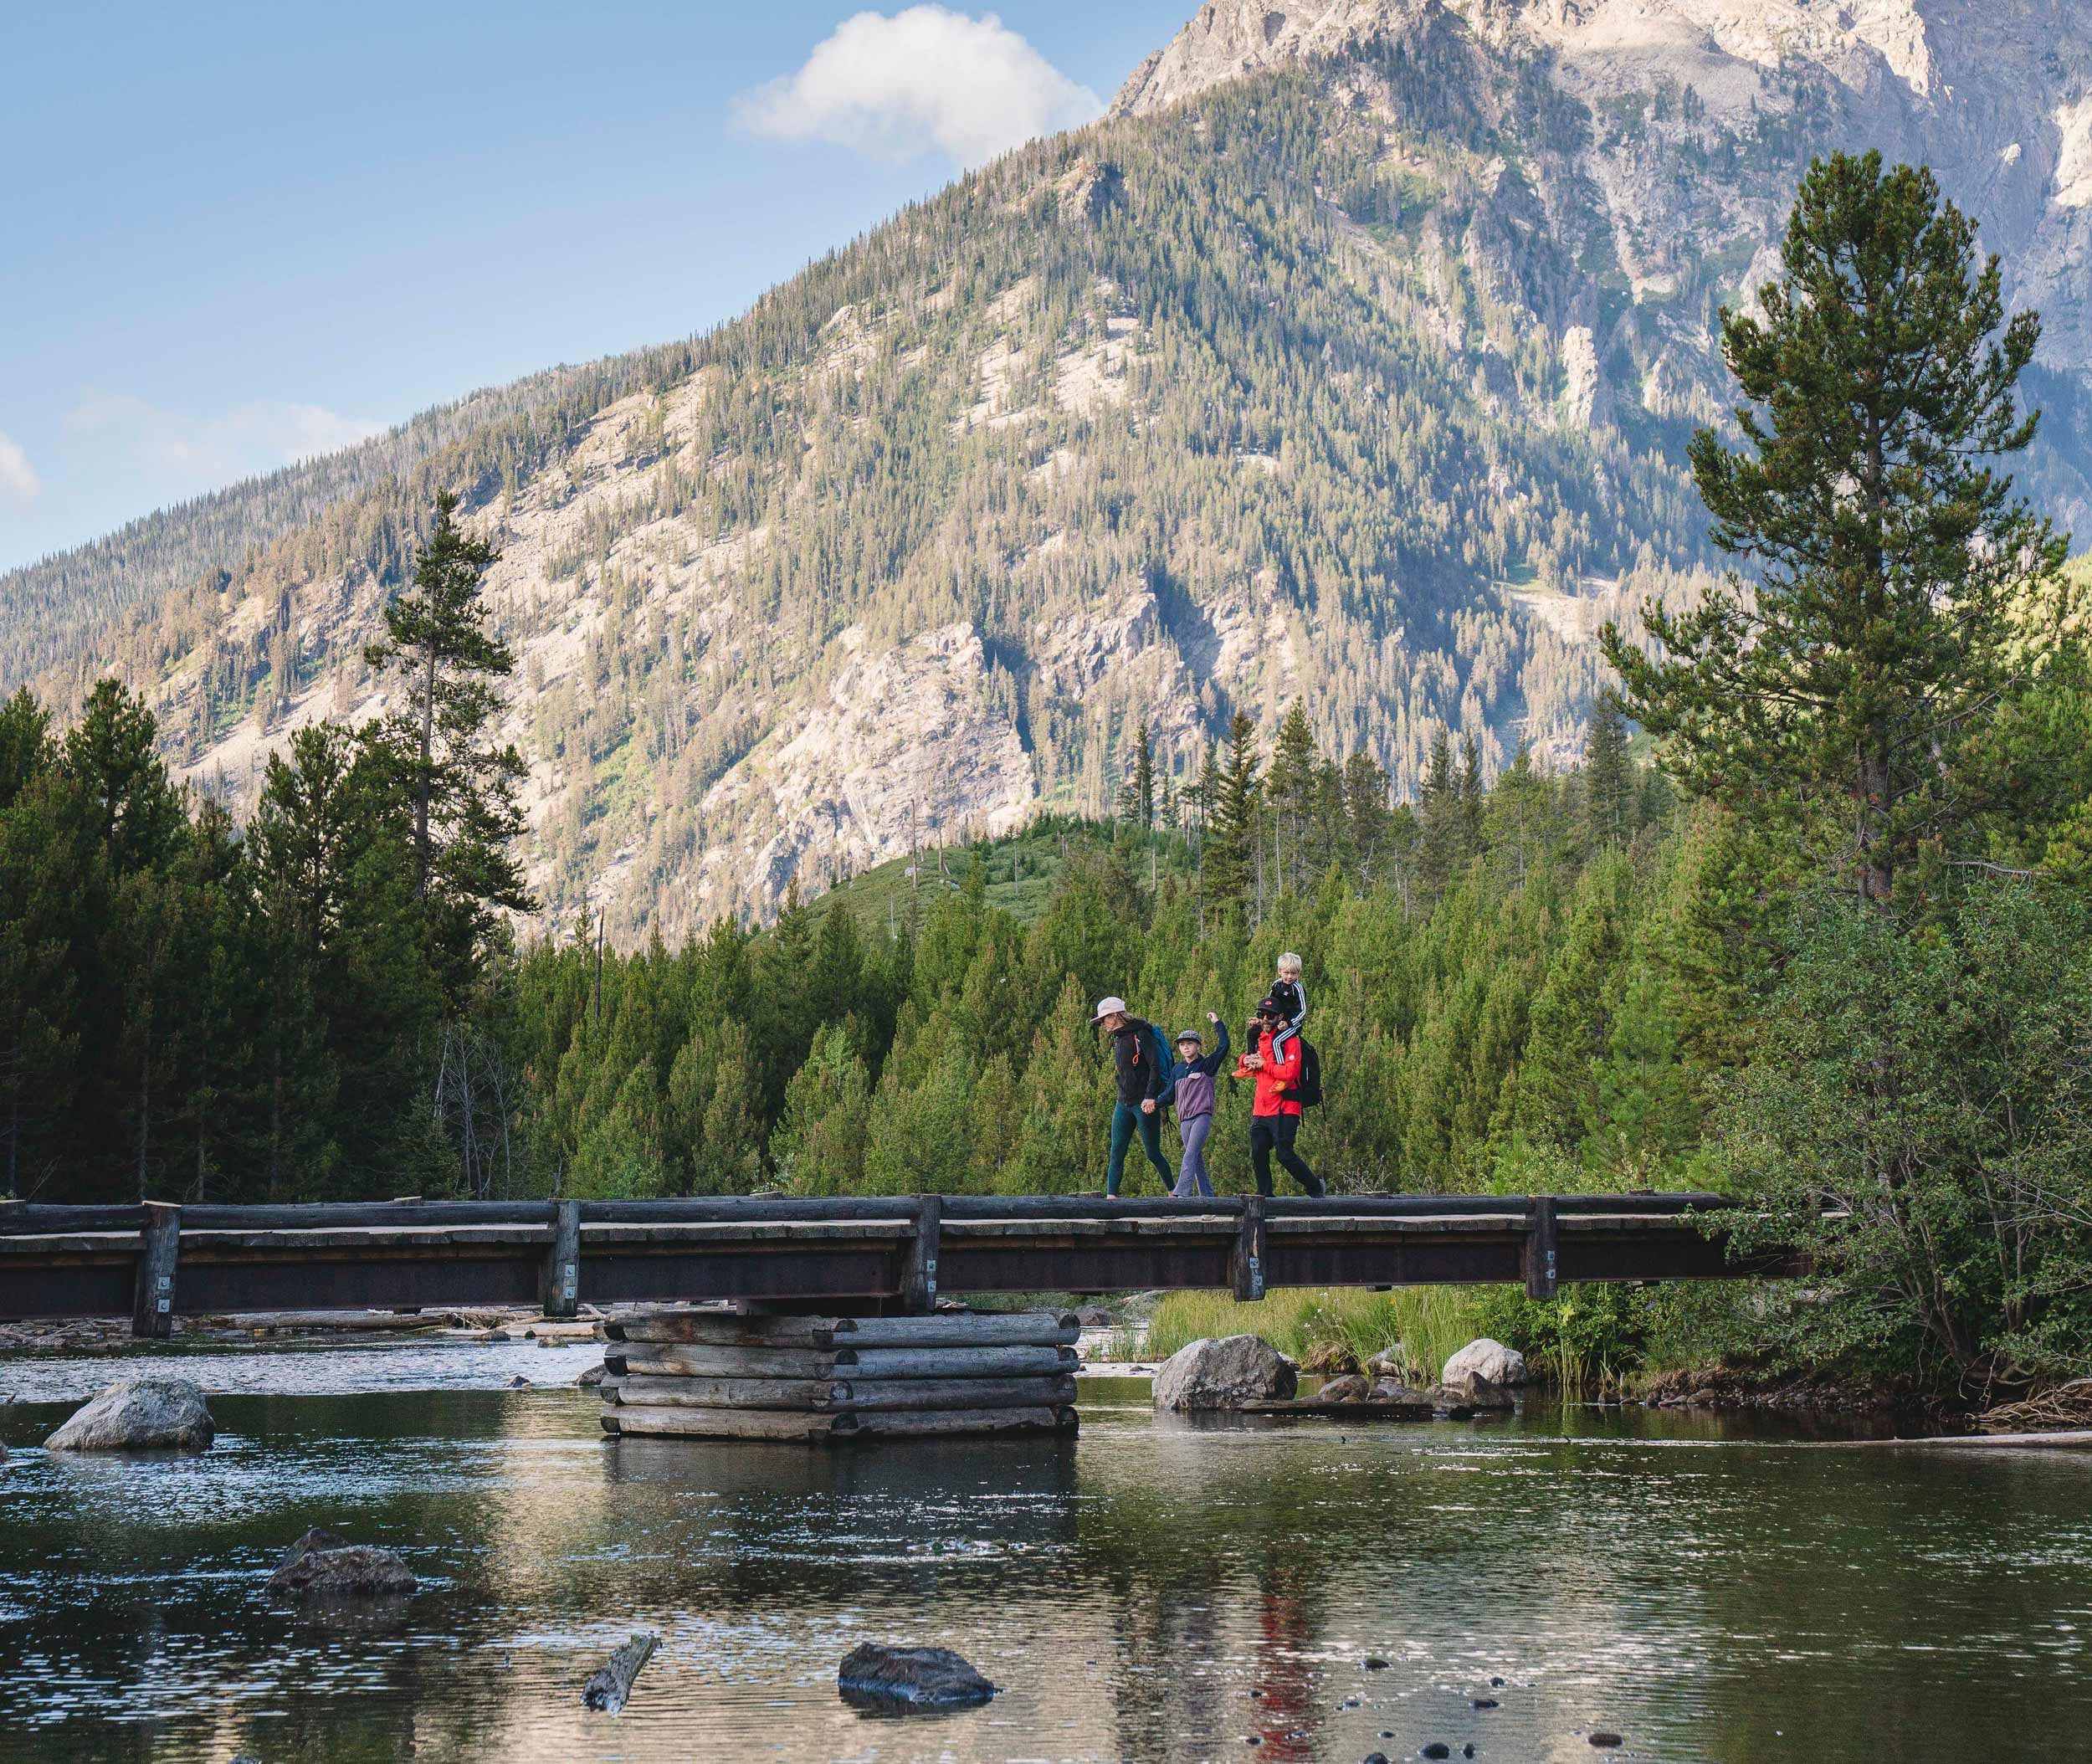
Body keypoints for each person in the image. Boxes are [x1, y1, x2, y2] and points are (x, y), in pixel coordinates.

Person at [1234, 997, 1325, 1197]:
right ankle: (1265, 1196)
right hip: (1261, 1108)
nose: (1265, 1019)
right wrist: (1245, 1059)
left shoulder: (1290, 1041)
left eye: (1270, 1015)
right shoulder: (1258, 1038)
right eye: (1261, 1015)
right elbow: (1248, 1067)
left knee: (1284, 1154)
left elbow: (1290, 1073)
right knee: (1258, 1151)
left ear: (1280, 1017)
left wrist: (1264, 1065)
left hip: (1286, 1106)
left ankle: (1315, 1186)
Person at [1091, 996, 1173, 1198]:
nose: (1102, 1024)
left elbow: (1154, 1066)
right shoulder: (1119, 1038)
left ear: (1115, 1016)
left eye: (1104, 1020)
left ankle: (1174, 1192)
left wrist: (1150, 1097)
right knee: (1116, 1151)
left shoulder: (1141, 1034)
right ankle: (1111, 1198)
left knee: (1152, 1152)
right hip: (1124, 1102)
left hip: (1144, 1103)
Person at [1164, 1013, 1230, 1198]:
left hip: (1202, 1116)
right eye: (1182, 1044)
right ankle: (1207, 1197)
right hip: (1184, 1119)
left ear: (1198, 1046)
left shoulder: (1207, 1064)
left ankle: (1181, 1192)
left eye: (1190, 1043)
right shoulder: (1177, 1070)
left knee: (1190, 1153)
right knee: (1196, 1158)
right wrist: (1153, 1102)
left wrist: (1217, 1023)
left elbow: (1224, 1046)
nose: (1186, 1047)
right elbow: (1169, 1095)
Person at [1269, 951, 1307, 1062]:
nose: (1290, 977)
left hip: (1292, 1025)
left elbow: (1303, 1011)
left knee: (1276, 1041)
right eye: (1286, 973)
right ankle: (1252, 1059)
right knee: (1254, 1032)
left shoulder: (1297, 988)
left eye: (1294, 973)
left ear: (1298, 973)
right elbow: (1270, 1003)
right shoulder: (1276, 984)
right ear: (1279, 971)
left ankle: (1281, 1069)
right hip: (1277, 1021)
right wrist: (1261, 1018)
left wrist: (1289, 1023)